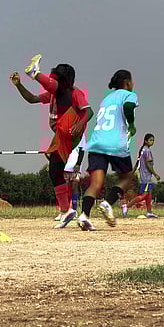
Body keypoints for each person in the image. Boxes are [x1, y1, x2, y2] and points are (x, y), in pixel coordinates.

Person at [10, 59, 93, 226]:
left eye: (56, 78)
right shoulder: (54, 94)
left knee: (55, 169)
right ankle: (65, 210)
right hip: (61, 133)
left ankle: (35, 73)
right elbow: (32, 99)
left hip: (70, 129)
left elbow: (89, 112)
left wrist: (80, 123)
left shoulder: (74, 92)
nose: (54, 83)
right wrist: (18, 85)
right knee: (55, 170)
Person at [72, 69, 138, 231]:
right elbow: (129, 108)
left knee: (96, 183)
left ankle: (84, 216)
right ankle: (107, 203)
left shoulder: (106, 99)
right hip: (115, 143)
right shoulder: (129, 95)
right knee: (127, 177)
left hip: (96, 142)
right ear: (127, 82)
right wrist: (131, 125)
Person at [134, 134, 162, 218]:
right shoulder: (147, 151)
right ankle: (126, 206)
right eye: (150, 140)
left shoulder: (142, 150)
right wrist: (155, 174)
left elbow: (138, 162)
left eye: (153, 140)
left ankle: (149, 212)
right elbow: (148, 164)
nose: (152, 142)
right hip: (145, 175)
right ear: (145, 141)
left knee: (149, 194)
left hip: (143, 175)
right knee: (144, 195)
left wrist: (133, 171)